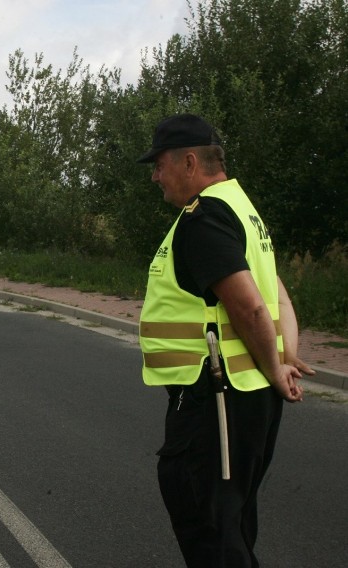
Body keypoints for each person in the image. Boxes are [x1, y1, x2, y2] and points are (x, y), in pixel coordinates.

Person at [136, 114, 315, 567]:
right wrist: (285, 357)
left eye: (159, 164)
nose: (155, 176)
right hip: (246, 395)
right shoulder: (242, 209)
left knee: (209, 527)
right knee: (231, 522)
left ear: (190, 162)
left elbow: (252, 307)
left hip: (215, 397)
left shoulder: (204, 217)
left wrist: (278, 369)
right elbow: (281, 302)